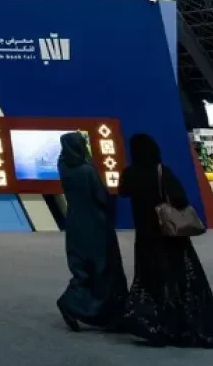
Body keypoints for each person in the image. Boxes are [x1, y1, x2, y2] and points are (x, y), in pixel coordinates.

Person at [118, 133, 213, 348]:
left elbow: (123, 193)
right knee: (179, 277)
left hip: (146, 234)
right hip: (170, 234)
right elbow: (180, 199)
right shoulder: (162, 171)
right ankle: (182, 324)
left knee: (150, 277)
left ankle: (155, 324)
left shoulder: (130, 173)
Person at [56, 132, 128, 332]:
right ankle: (99, 311)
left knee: (82, 266)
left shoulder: (63, 166)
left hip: (75, 220)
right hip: (95, 222)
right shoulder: (87, 170)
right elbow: (101, 196)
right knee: (102, 265)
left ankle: (78, 304)